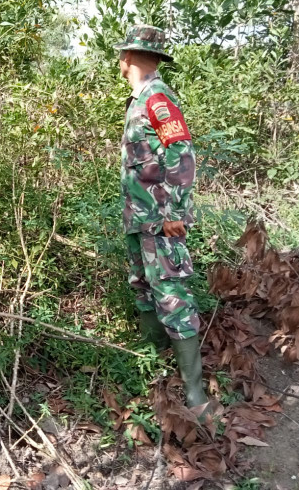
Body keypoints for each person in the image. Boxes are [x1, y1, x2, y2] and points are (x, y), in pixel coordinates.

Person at [115, 24, 208, 412]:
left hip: (160, 220)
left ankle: (195, 396)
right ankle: (151, 365)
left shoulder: (158, 99)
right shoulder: (139, 100)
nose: (119, 63)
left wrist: (173, 212)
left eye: (121, 57)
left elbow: (181, 155)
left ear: (128, 58)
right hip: (140, 219)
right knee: (143, 286)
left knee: (173, 296)